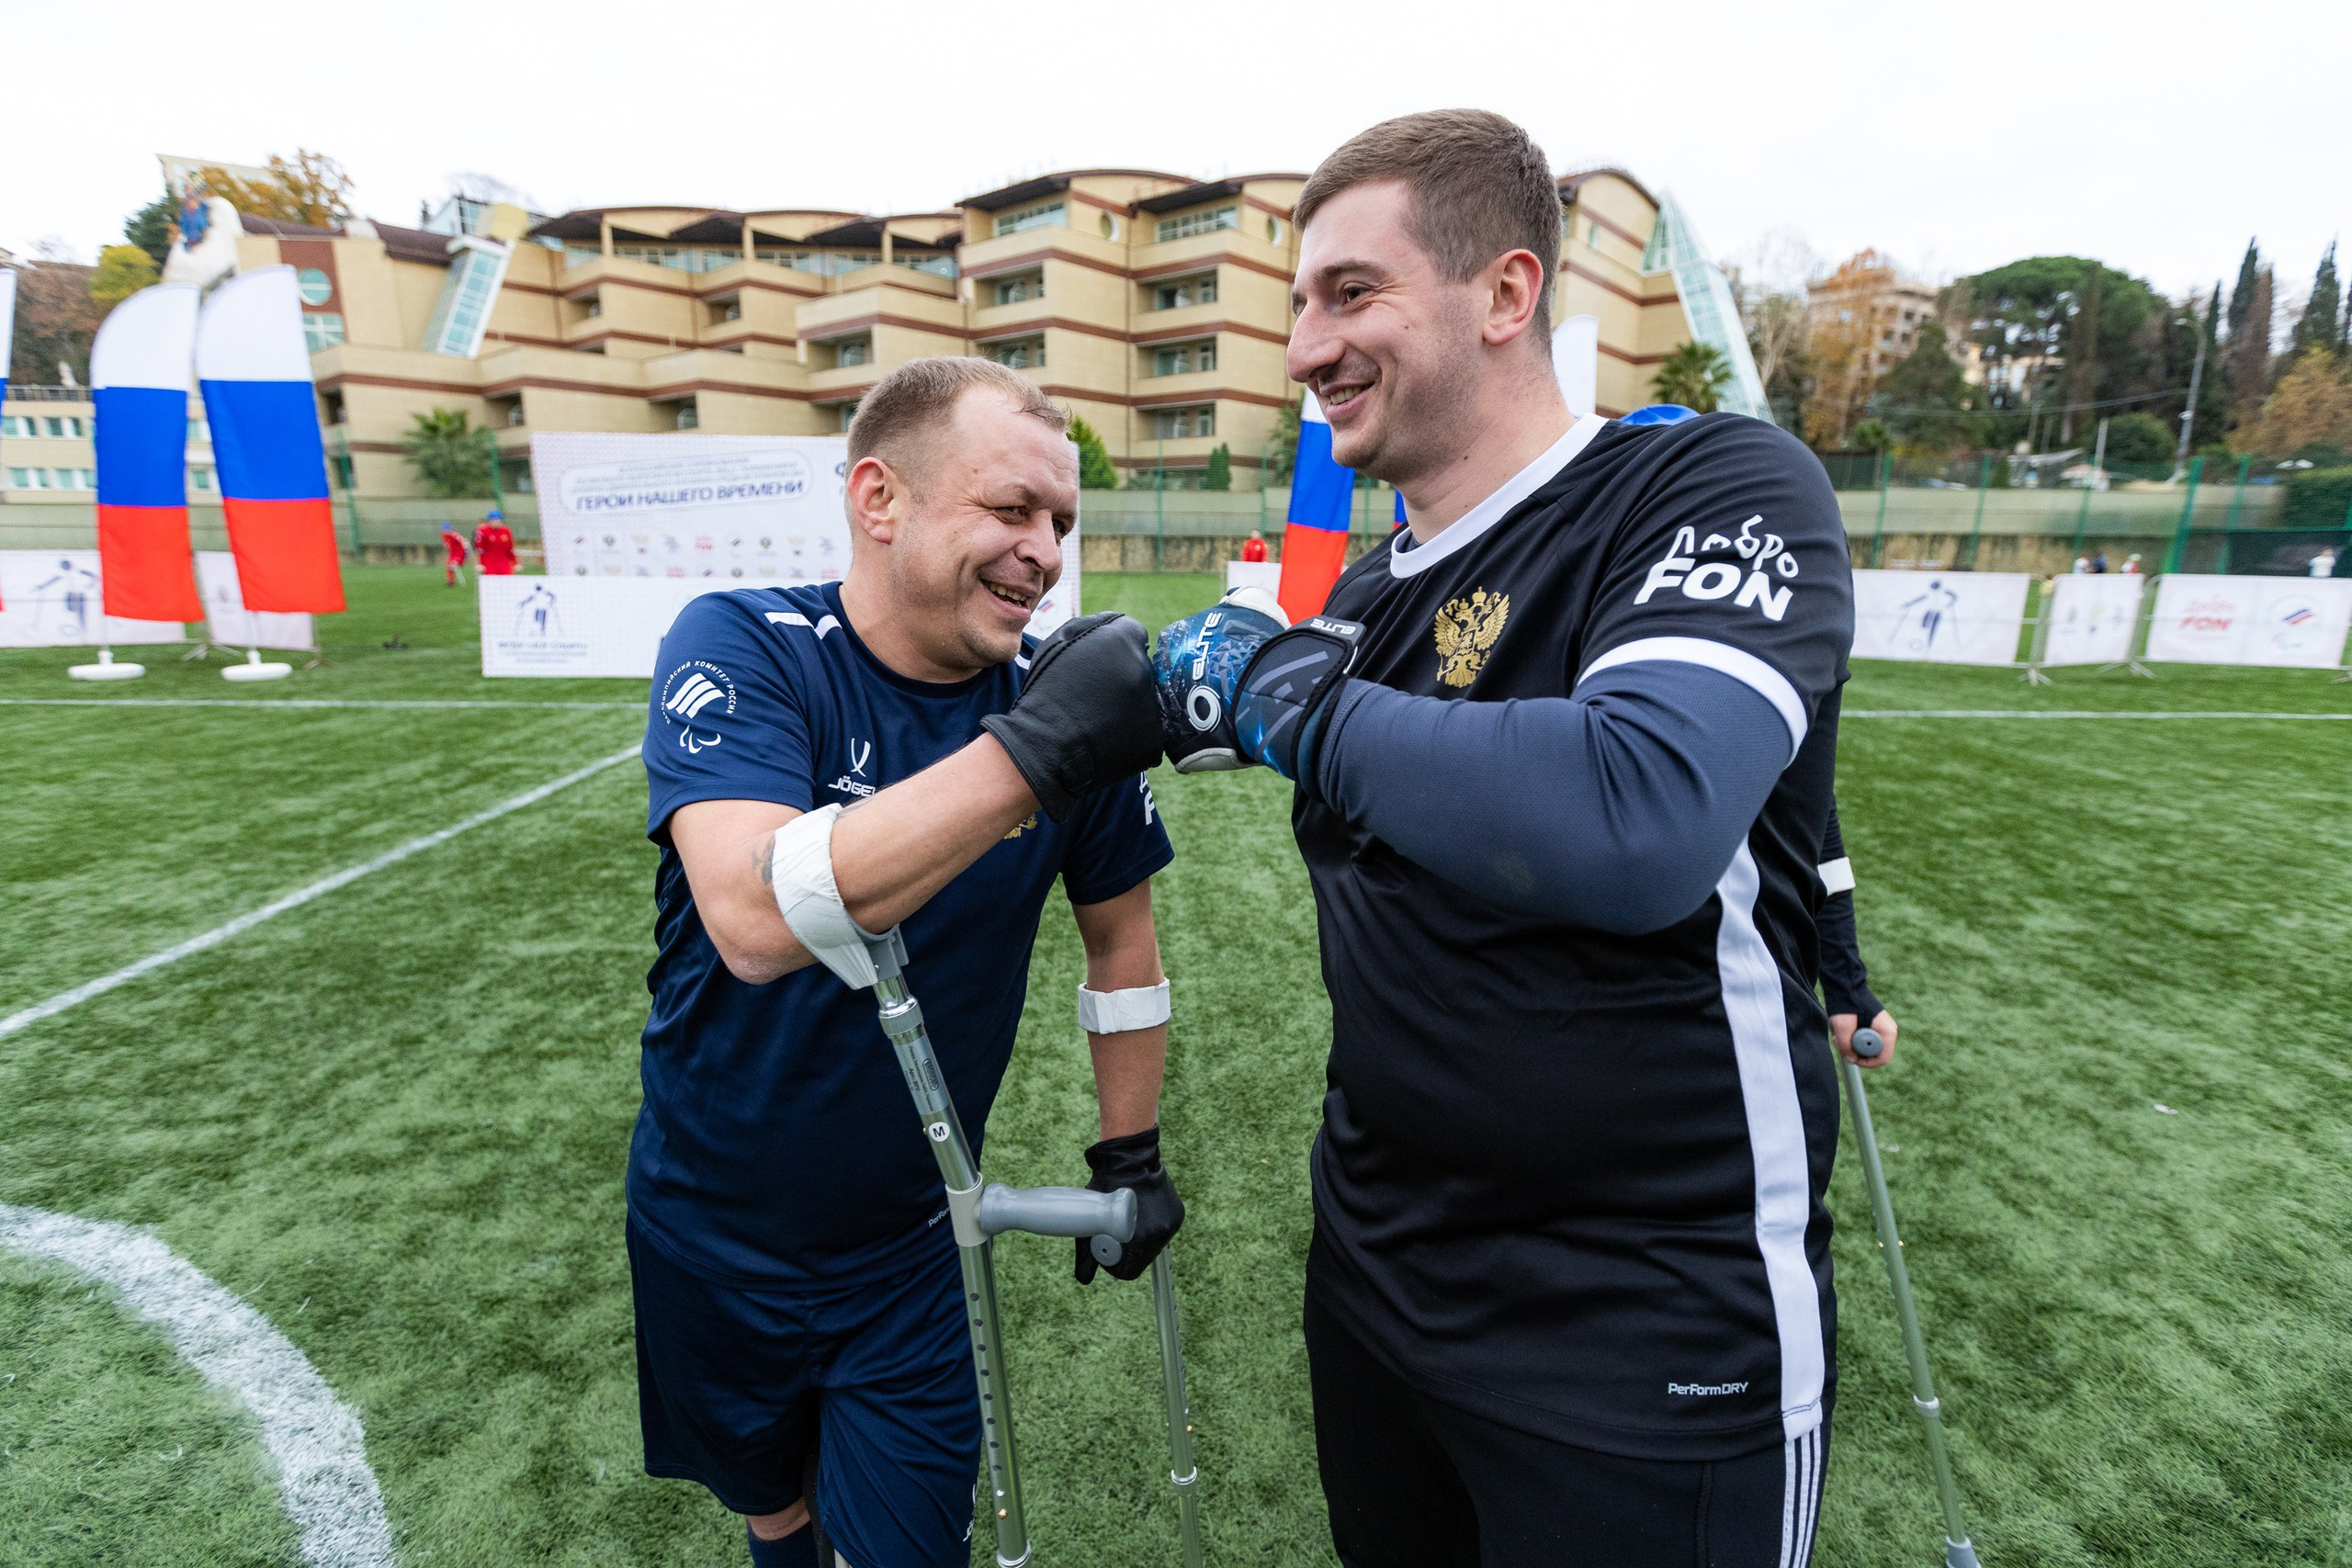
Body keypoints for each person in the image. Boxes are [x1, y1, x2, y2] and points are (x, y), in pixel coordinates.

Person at [1151, 110, 1855, 1566]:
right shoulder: (1352, 591)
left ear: (1507, 292)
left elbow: (1637, 813)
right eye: (1299, 304)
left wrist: (1294, 703)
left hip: (1643, 1331)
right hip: (1379, 1286)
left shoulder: (1707, 484)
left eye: (1352, 292)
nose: (1302, 348)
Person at [630, 356, 1179, 1568]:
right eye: (1011, 508)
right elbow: (754, 916)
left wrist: (1129, 1147)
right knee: (772, 1505)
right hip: (708, 1223)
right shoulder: (747, 640)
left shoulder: (1056, 702)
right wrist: (1038, 750)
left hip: (915, 1245)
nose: (1043, 550)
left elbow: (1122, 944)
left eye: (1060, 523)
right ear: (880, 499)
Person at [474, 508, 517, 576]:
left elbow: (510, 548)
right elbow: (480, 549)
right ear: (489, 521)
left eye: (498, 519)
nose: (496, 522)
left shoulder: (506, 531)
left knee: (508, 582)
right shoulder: (482, 531)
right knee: (490, 583)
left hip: (504, 562)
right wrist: (480, 564)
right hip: (489, 563)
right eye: (493, 520)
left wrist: (515, 563)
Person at [441, 522, 470, 587]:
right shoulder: (443, 535)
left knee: (454, 564)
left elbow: (462, 540)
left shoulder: (454, 535)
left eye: (446, 529)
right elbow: (447, 544)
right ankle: (451, 582)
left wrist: (466, 551)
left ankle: (459, 582)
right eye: (444, 529)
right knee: (448, 566)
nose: (445, 531)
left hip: (459, 552)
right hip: (453, 553)